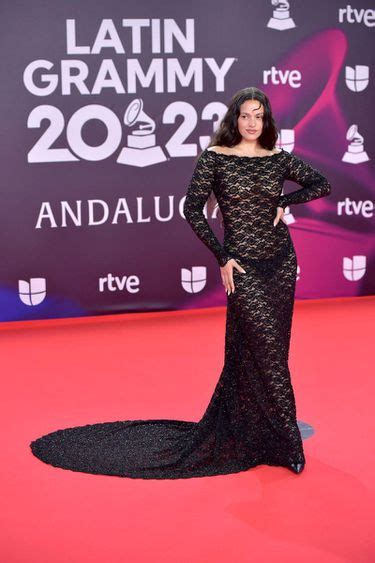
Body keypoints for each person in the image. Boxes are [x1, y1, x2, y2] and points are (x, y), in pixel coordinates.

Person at [30, 87, 331, 479]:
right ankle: (289, 441)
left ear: (267, 120)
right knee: (266, 352)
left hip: (280, 263)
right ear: (234, 120)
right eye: (245, 115)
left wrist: (284, 202)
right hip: (241, 266)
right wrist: (222, 256)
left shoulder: (277, 159)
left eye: (259, 115)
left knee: (264, 350)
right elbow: (192, 208)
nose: (252, 122)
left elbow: (321, 184)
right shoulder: (216, 158)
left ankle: (260, 434)